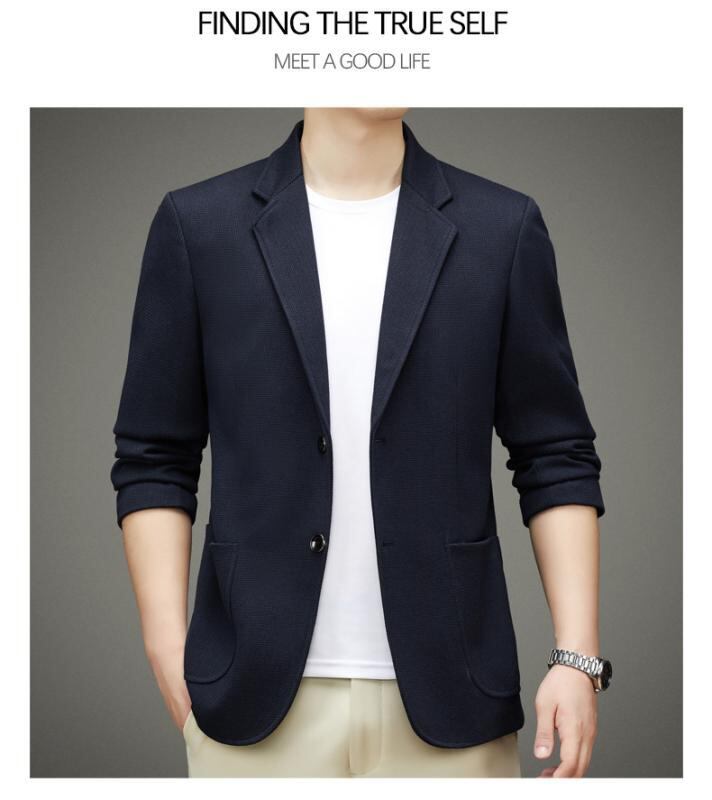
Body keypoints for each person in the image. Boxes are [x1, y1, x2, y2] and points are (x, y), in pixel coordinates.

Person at [110, 108, 610, 778]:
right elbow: (154, 456)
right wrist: (167, 646)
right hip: (252, 702)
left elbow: (554, 453)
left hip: (453, 702)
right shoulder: (200, 225)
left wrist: (577, 656)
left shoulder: (501, 227)